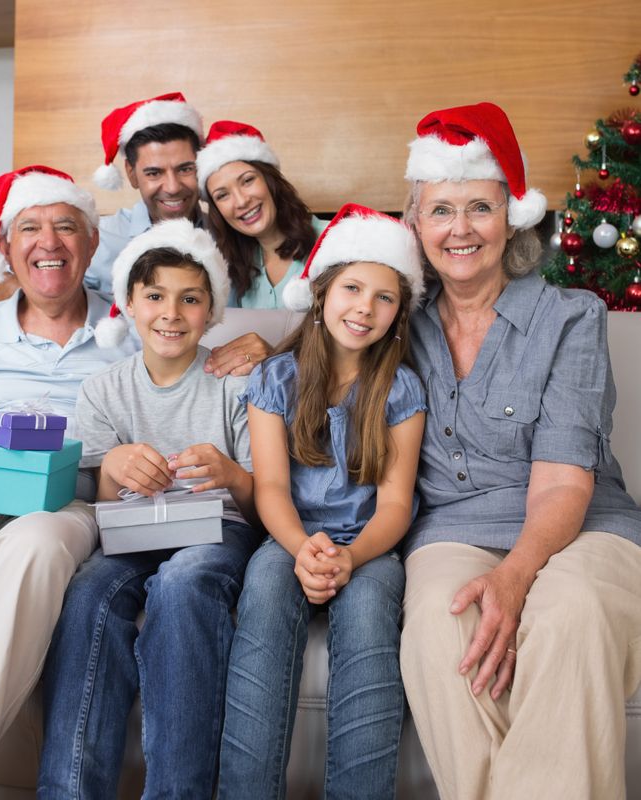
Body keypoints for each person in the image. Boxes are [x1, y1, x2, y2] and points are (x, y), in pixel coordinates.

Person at [399, 101, 641, 800]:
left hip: (581, 523)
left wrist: (515, 578)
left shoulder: (570, 316)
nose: (460, 229)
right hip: (452, 529)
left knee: (569, 617)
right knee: (437, 631)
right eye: (440, 210)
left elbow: (565, 484)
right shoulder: (393, 320)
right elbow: (320, 350)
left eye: (479, 206)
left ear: (511, 219)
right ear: (416, 226)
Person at [37, 218, 263, 799]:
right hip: (132, 531)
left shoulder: (236, 383)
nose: (171, 312)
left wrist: (232, 474)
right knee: (88, 593)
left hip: (217, 531)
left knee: (184, 582)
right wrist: (113, 469)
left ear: (211, 310)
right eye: (155, 297)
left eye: (190, 299)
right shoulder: (103, 390)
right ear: (129, 306)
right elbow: (97, 501)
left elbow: (268, 502)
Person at [218, 203, 426, 800]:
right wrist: (302, 548)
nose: (365, 307)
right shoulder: (276, 379)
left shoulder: (401, 390)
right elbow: (272, 489)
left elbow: (394, 507)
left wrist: (350, 558)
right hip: (289, 535)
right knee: (263, 589)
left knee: (367, 615)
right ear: (321, 294)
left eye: (385, 298)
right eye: (353, 288)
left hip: (368, 545)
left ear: (399, 314)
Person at [0, 165, 137, 768]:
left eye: (66, 227)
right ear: (5, 247)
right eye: (30, 228)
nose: (49, 243)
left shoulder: (134, 325)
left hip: (75, 501)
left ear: (93, 242)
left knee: (37, 543)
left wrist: (260, 346)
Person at [196, 119, 327, 377]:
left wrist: (275, 358)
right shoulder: (228, 269)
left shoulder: (336, 239)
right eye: (223, 195)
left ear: (270, 180)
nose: (242, 201)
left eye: (247, 181)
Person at [85, 91, 206, 297]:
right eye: (154, 173)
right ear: (132, 174)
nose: (172, 187)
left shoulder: (229, 237)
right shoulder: (98, 241)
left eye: (185, 169)